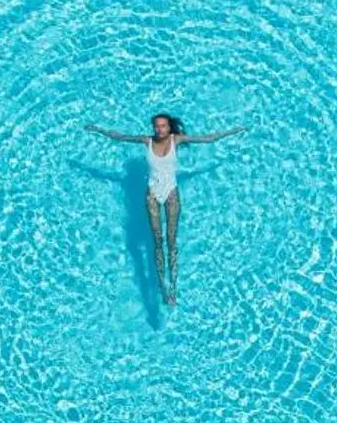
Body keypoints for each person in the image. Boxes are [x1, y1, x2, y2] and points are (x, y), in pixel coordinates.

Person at [84, 112, 247, 308]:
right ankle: (162, 285)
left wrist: (233, 131)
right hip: (152, 194)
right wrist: (99, 130)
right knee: (157, 241)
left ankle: (173, 288)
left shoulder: (175, 140)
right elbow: (120, 136)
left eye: (163, 126)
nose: (159, 129)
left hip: (171, 193)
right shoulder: (147, 141)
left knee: (171, 240)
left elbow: (207, 138)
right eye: (156, 126)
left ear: (169, 127)